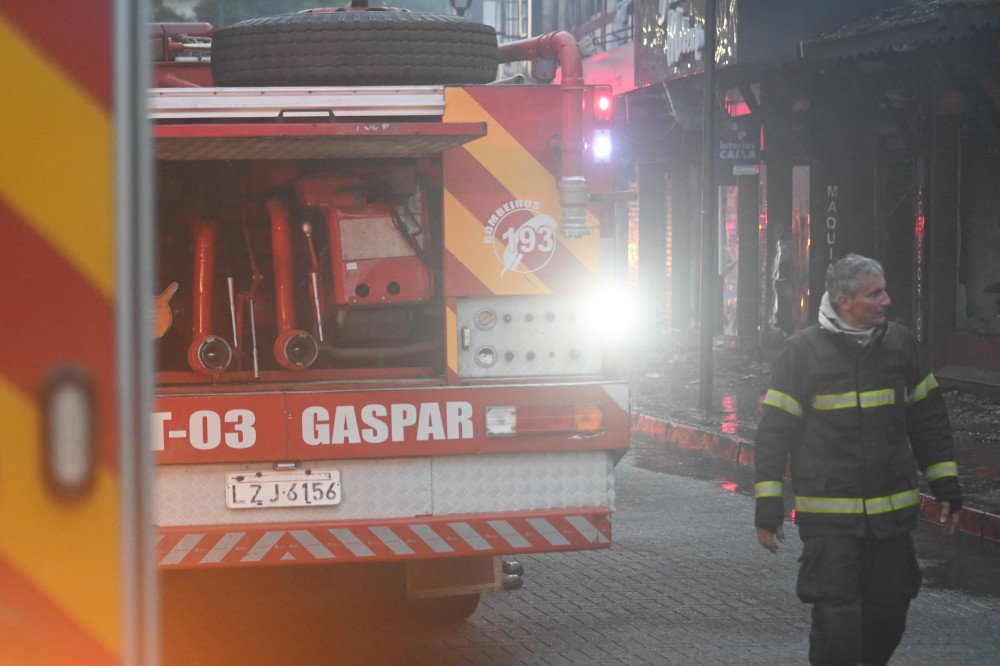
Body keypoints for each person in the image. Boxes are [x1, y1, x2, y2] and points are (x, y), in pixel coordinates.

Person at [754, 253, 962, 666]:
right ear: (844, 301)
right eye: (875, 294)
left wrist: (946, 485)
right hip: (830, 520)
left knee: (889, 615)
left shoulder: (901, 345)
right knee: (840, 625)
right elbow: (775, 433)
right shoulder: (802, 353)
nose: (887, 300)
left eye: (884, 291)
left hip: (891, 517)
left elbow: (928, 419)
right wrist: (768, 504)